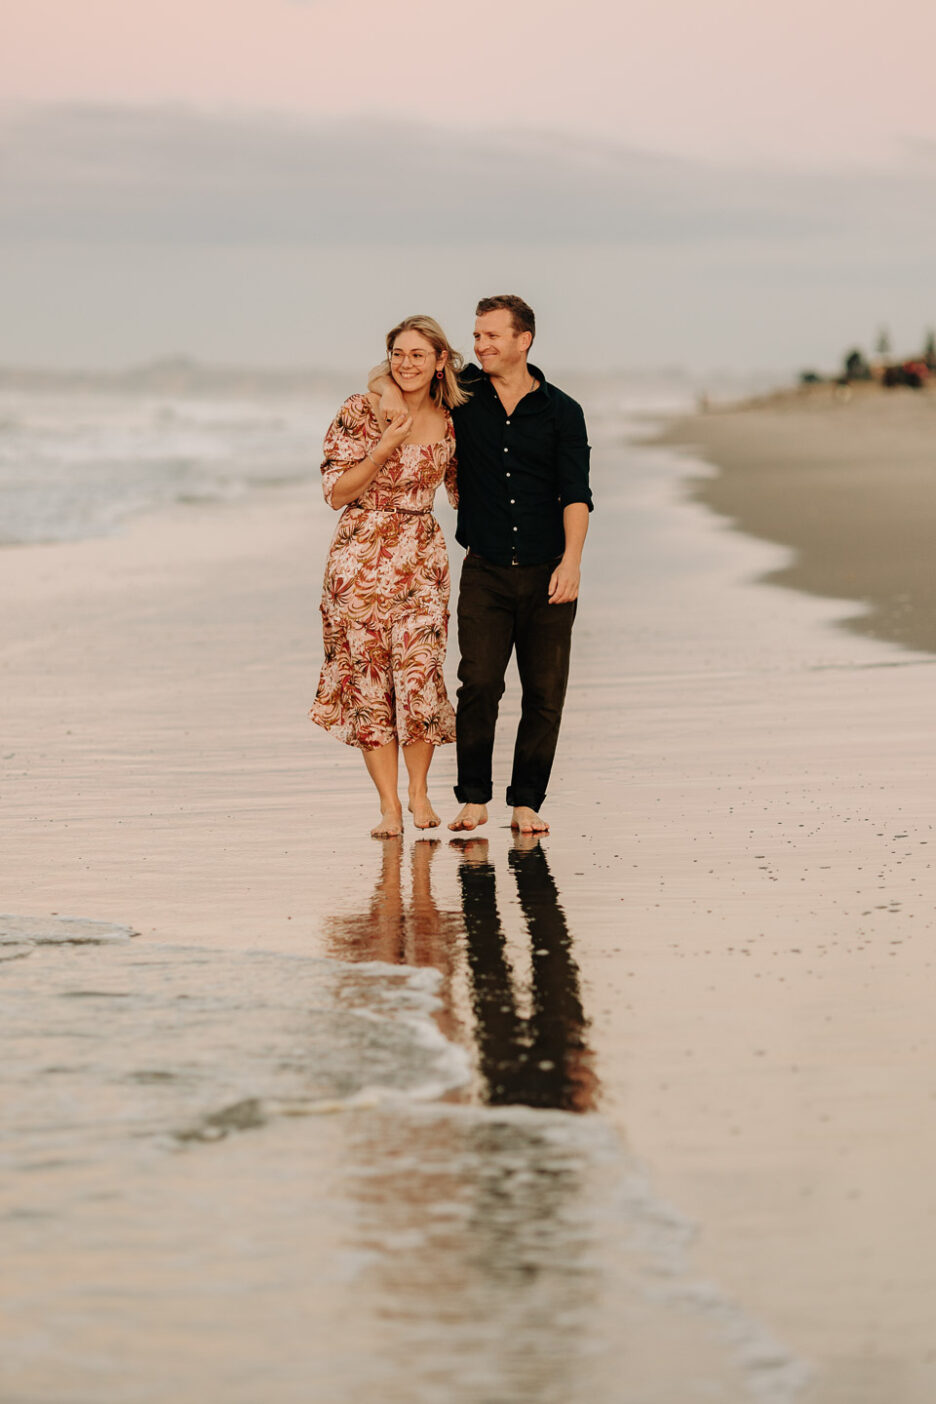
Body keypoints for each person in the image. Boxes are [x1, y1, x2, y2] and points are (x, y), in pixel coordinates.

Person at [374, 294, 592, 834]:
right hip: (485, 569)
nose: (481, 345)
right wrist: (386, 395)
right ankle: (473, 798)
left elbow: (576, 495)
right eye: (476, 336)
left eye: (493, 336)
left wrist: (572, 562)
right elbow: (397, 370)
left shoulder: (564, 411)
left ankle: (526, 803)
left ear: (525, 340)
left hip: (549, 570)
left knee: (544, 692)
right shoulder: (463, 394)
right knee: (478, 685)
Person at [311, 315, 467, 838]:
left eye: (418, 355)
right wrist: (382, 448)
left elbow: (464, 492)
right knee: (370, 685)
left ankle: (420, 794)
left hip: (422, 559)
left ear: (439, 361)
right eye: (397, 354)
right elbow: (336, 492)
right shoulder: (361, 410)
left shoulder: (452, 419)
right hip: (359, 561)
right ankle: (388, 806)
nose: (406, 364)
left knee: (420, 676)